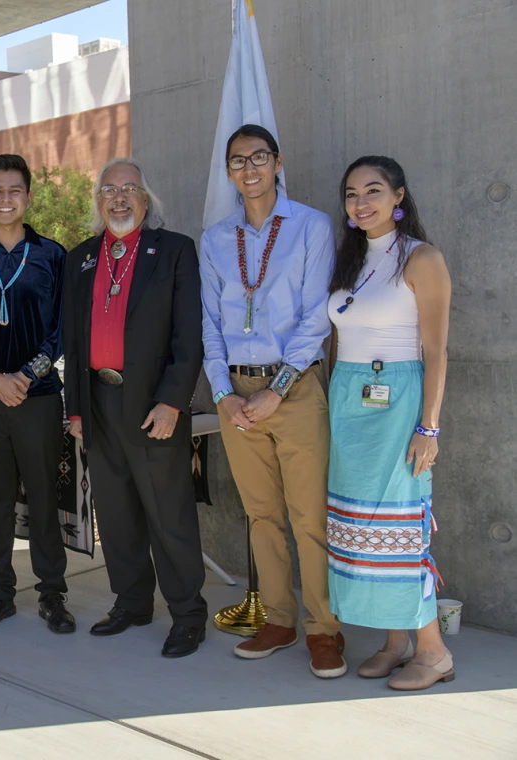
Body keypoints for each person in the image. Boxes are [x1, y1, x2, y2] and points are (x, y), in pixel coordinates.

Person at [199, 124, 345, 677]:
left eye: (259, 157)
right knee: (262, 516)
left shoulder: (311, 226)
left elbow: (317, 317)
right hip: (236, 396)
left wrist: (277, 391)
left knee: (310, 518)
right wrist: (222, 395)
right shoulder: (215, 239)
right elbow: (210, 326)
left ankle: (324, 630)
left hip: (297, 389)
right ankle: (279, 621)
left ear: (277, 162)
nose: (249, 168)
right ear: (229, 171)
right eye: (238, 161)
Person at [64, 158, 208, 658]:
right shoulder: (80, 258)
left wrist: (172, 401)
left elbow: (189, 336)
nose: (119, 198)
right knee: (117, 511)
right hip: (98, 401)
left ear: (146, 200)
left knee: (168, 512)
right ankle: (132, 602)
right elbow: (73, 341)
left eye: (130, 189)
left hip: (151, 403)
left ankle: (188, 614)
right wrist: (76, 410)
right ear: (98, 201)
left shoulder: (173, 251)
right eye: (109, 190)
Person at [328, 156, 453, 690]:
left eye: (374, 190)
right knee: (360, 527)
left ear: (399, 196)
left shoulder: (421, 259)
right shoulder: (350, 260)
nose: (362, 202)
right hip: (348, 401)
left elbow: (437, 349)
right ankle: (394, 640)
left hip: (398, 398)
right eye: (352, 194)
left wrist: (429, 426)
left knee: (397, 528)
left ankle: (433, 650)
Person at [0, 154, 74, 634]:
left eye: (15, 190)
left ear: (28, 196)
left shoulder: (52, 255)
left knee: (44, 497)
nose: (6, 199)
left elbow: (64, 328)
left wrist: (25, 374)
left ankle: (52, 593)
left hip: (39, 395)